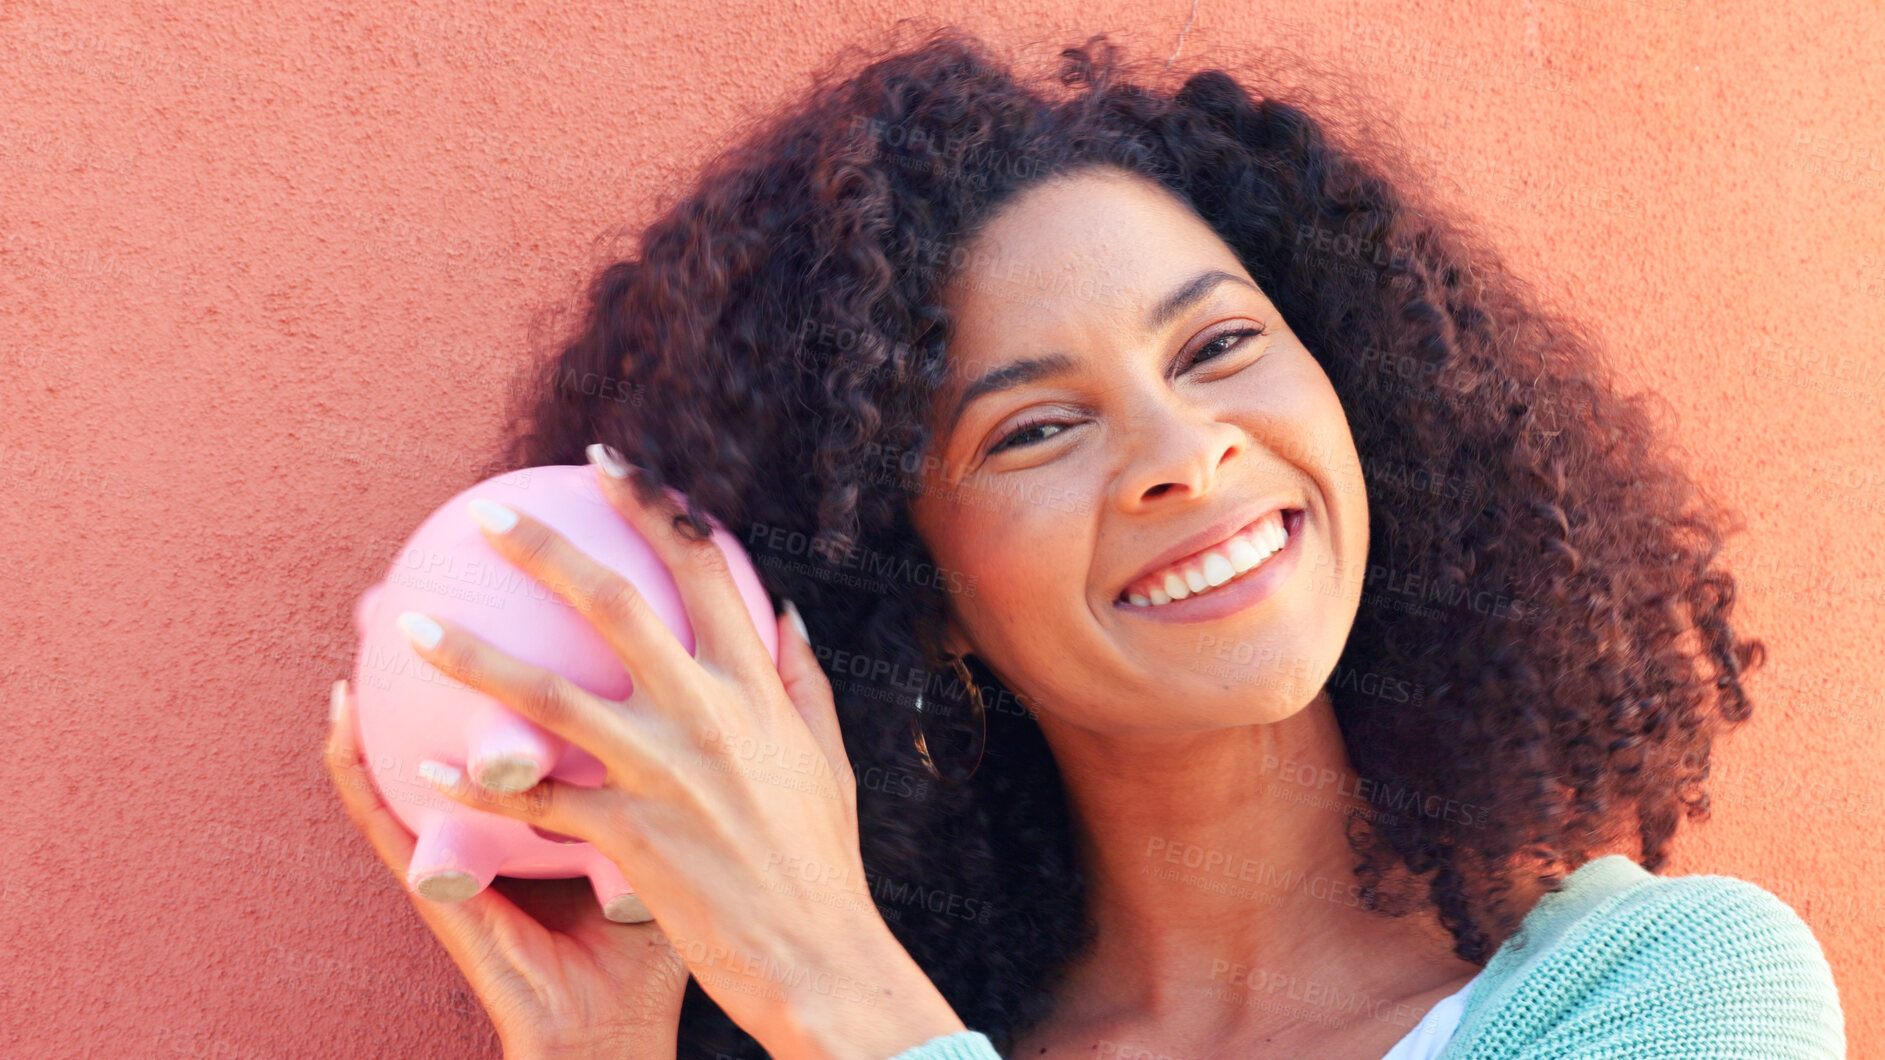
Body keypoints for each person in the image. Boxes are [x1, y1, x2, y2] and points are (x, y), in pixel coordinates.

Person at [325, 23, 1846, 1060]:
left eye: (1218, 346)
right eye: (1032, 430)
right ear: (909, 593)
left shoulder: (1671, 989)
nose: (1186, 458)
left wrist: (826, 982)